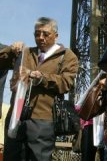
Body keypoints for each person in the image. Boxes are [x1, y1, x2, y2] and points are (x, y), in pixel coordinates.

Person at [0, 17, 79, 161]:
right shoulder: (26, 53)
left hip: (43, 120)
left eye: (45, 34)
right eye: (37, 34)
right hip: (16, 117)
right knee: (11, 156)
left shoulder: (67, 56)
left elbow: (66, 83)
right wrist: (11, 50)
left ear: (56, 35)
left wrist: (41, 77)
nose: (40, 38)